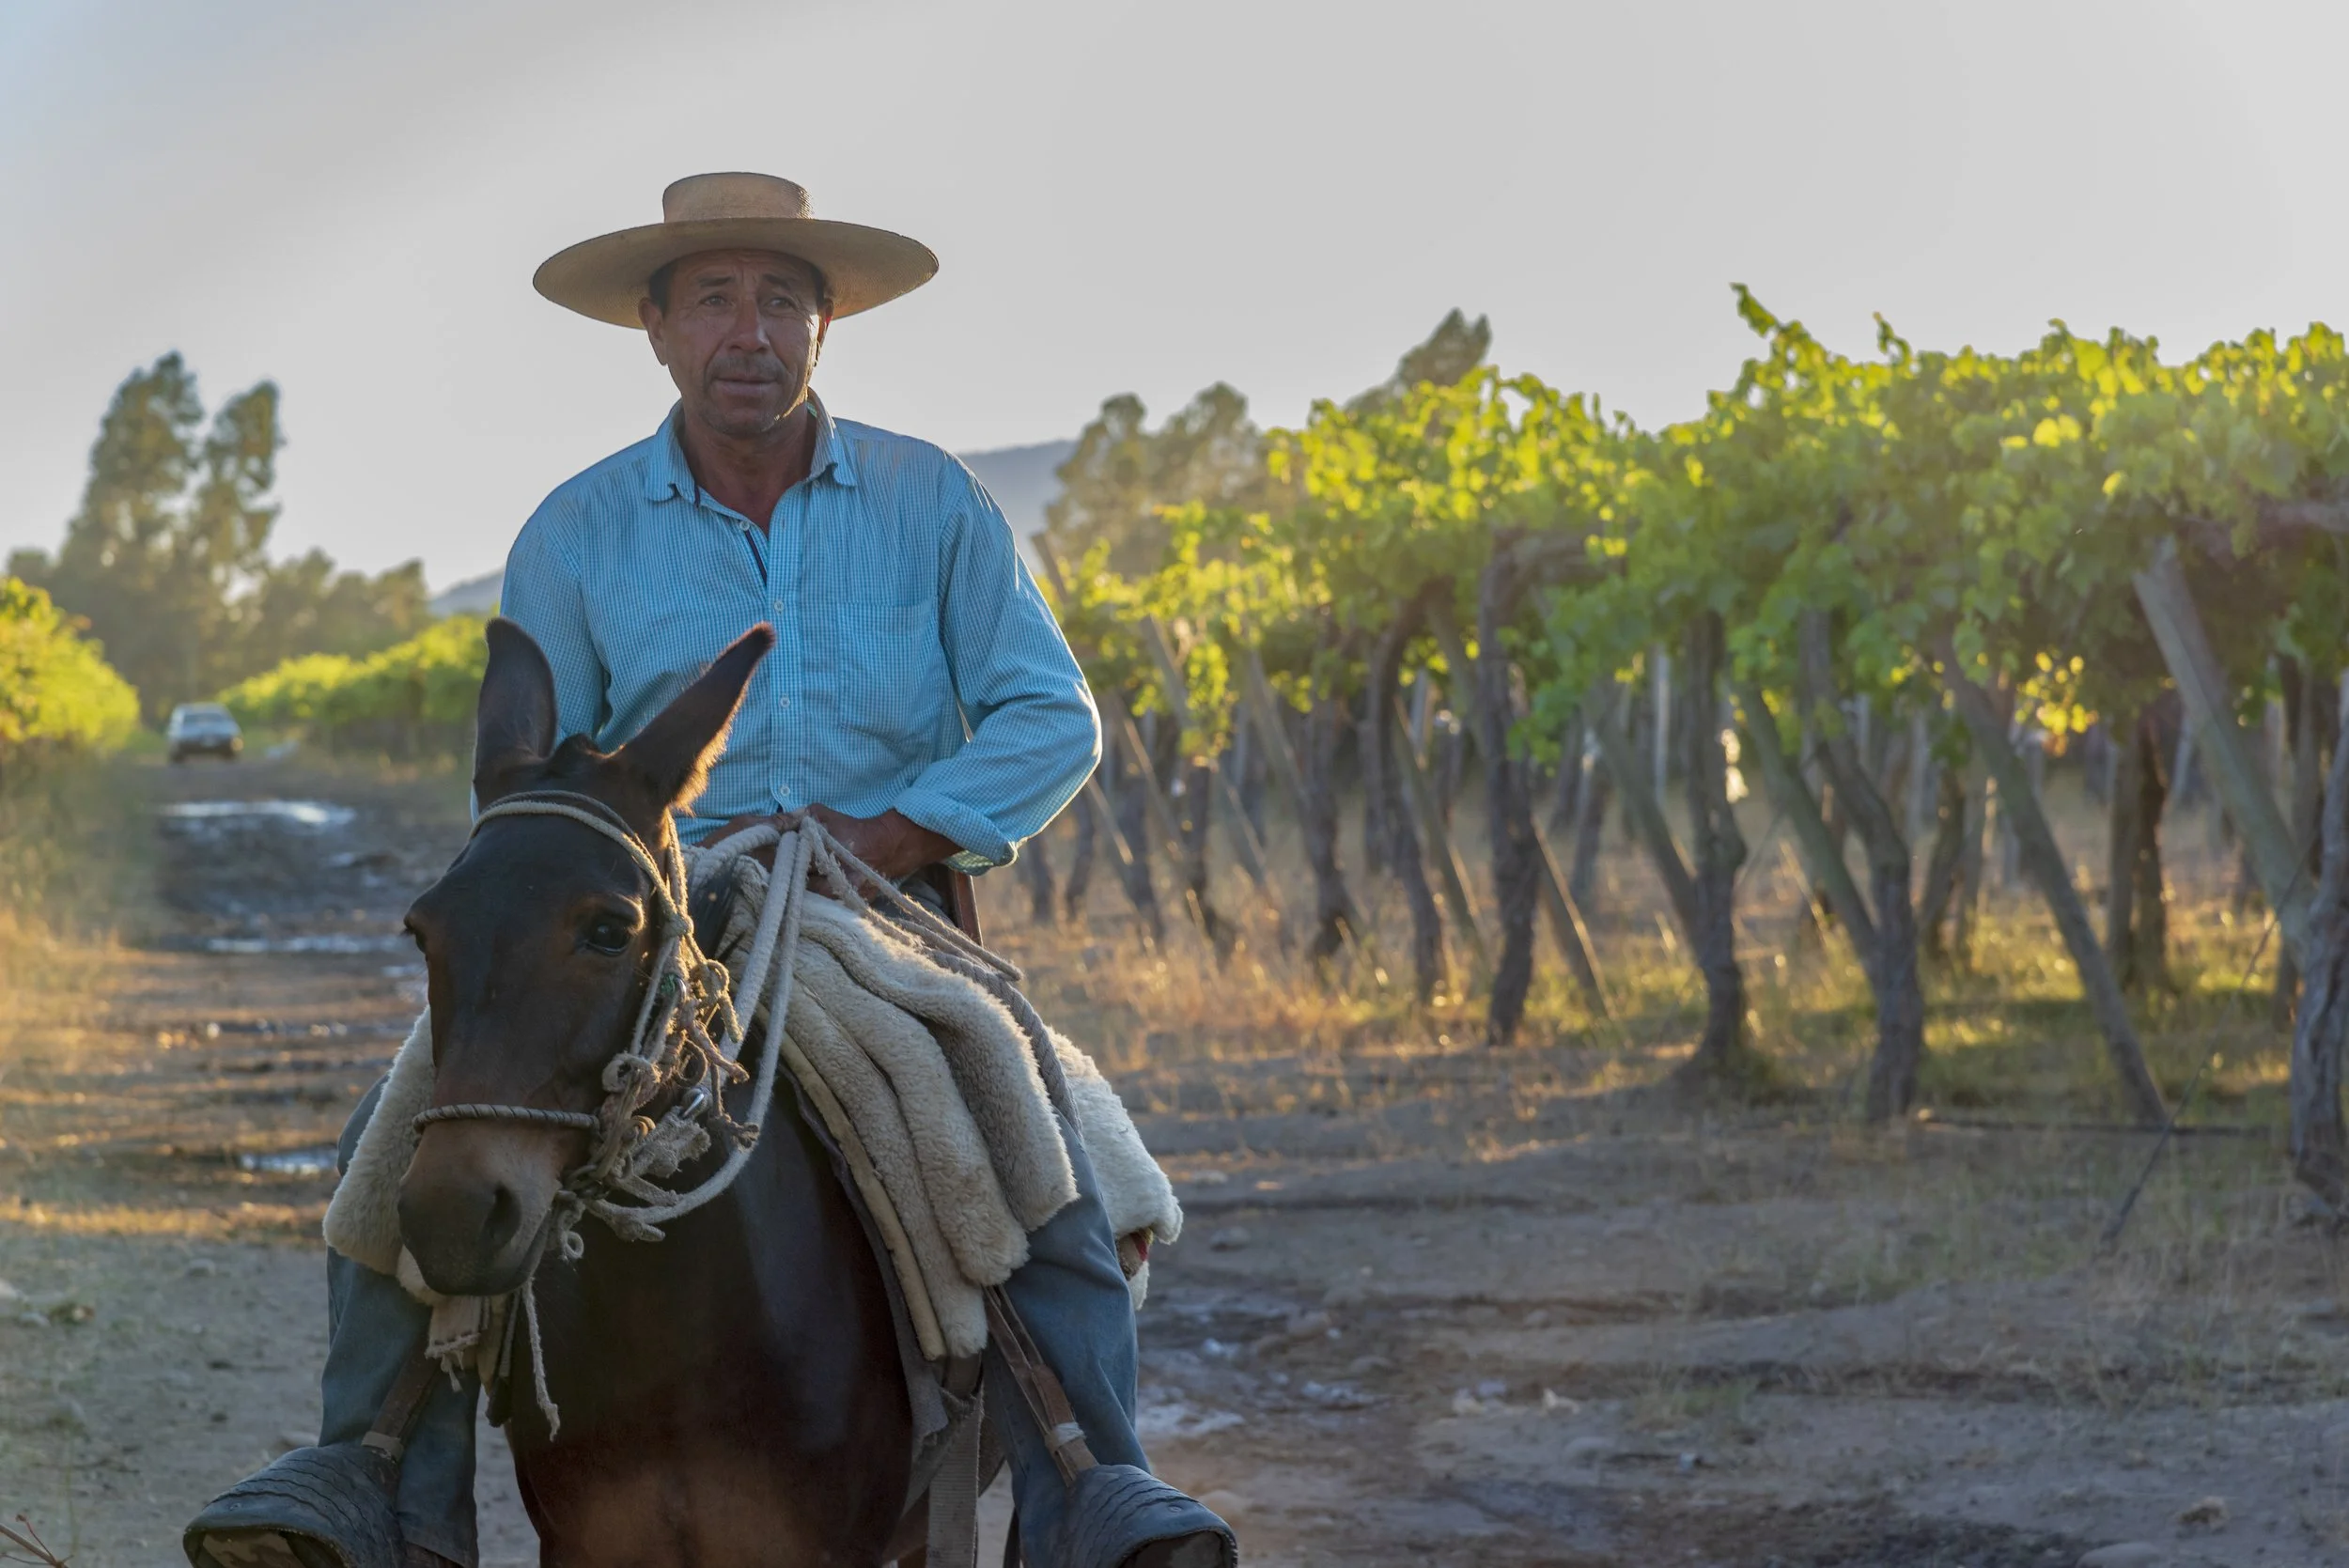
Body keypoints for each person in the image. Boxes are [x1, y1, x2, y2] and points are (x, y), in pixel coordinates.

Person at [187, 173, 1234, 1568]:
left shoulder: (932, 501)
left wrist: (894, 833)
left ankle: (1088, 1484)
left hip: (875, 913)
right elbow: (531, 780)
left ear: (822, 329)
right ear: (658, 329)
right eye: (717, 300)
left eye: (783, 300)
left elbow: (1053, 717)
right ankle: (374, 1483)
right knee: (411, 1124)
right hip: (644, 907)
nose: (752, 330)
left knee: (1028, 1113)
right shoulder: (577, 529)